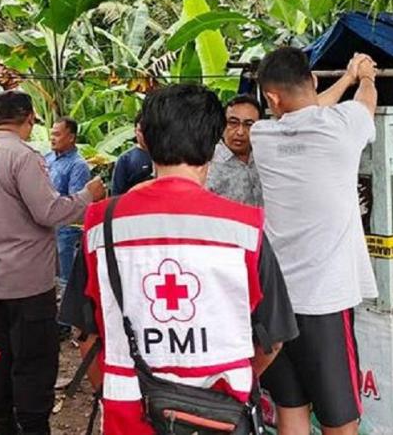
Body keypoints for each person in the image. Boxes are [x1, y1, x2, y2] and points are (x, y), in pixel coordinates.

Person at [59, 83, 299, 435]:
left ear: (145, 139)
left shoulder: (102, 223)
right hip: (222, 417)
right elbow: (272, 339)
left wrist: (113, 391)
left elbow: (86, 336)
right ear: (213, 142)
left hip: (130, 415)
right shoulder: (245, 228)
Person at [250, 48, 378, 435]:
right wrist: (363, 76)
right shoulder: (343, 126)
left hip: (275, 304)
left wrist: (346, 78)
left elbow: (305, 111)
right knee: (340, 419)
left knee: (291, 408)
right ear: (314, 80)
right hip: (325, 304)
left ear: (271, 99)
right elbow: (364, 103)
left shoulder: (261, 135)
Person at [0, 91, 106, 435]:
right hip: (28, 283)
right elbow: (48, 211)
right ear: (29, 118)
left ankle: (0, 423)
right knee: (34, 363)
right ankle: (32, 427)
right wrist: (88, 196)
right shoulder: (23, 156)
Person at [44, 117, 91, 291]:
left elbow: (76, 202)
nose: (52, 138)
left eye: (57, 134)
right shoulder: (47, 158)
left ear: (71, 137)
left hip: (65, 232)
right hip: (46, 228)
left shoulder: (78, 166)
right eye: (52, 134)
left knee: (66, 280)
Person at [206, 94, 264, 206]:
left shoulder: (264, 159)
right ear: (222, 125)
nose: (240, 132)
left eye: (249, 124)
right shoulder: (208, 163)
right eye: (233, 123)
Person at [110, 111, 153, 195]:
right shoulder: (125, 159)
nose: (144, 135)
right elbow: (117, 194)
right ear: (135, 131)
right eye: (141, 131)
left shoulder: (165, 156)